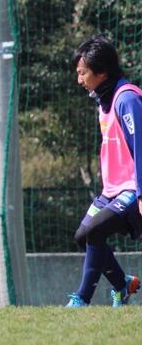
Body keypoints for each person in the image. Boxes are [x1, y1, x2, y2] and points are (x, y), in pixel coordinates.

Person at [66, 35, 141, 307]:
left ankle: (81, 300)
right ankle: (123, 284)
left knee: (96, 232)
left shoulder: (127, 99)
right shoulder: (102, 99)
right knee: (82, 235)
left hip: (132, 189)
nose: (79, 79)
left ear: (102, 72)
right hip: (111, 191)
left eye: (83, 73)